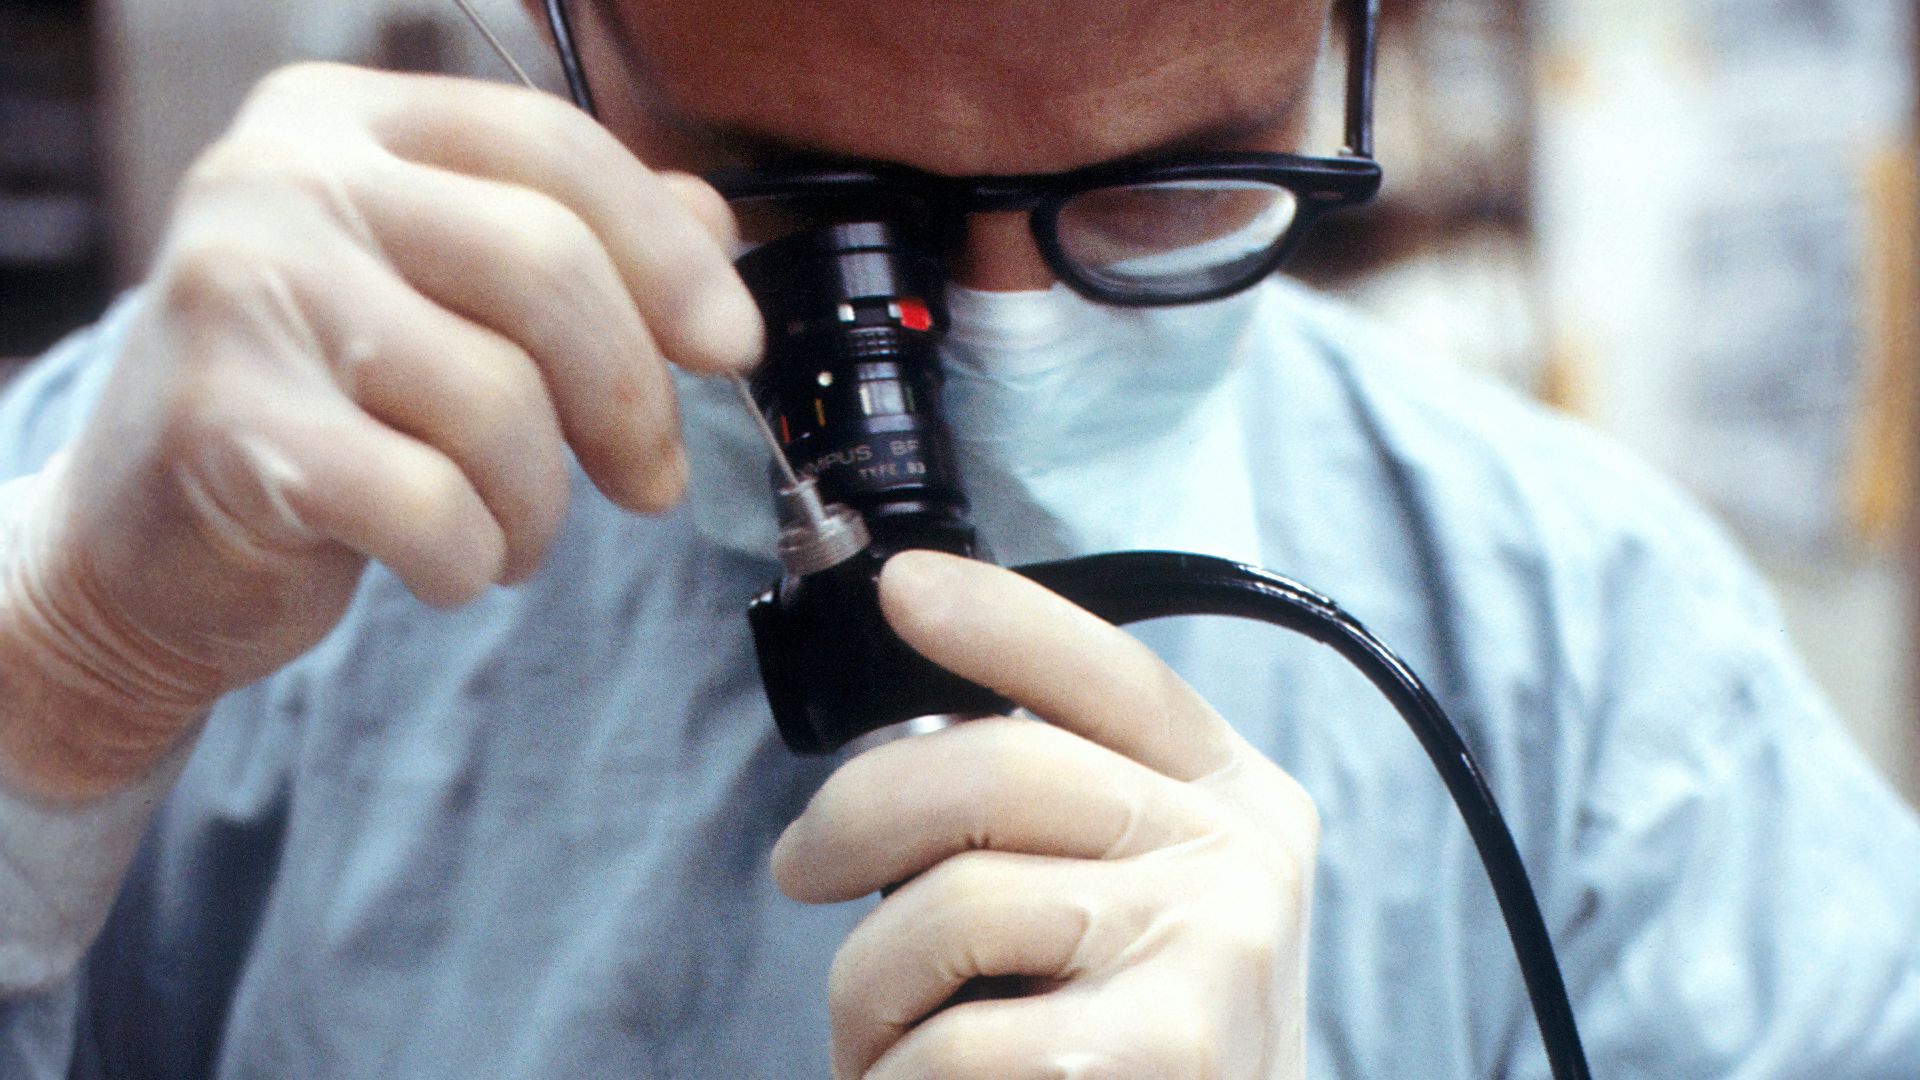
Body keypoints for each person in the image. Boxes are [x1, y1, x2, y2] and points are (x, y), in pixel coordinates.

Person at [2, 0, 1917, 1076]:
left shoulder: (1596, 670)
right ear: (535, 34)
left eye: (1176, 187)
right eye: (796, 197)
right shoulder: (170, 507)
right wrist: (55, 697)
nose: (984, 349)